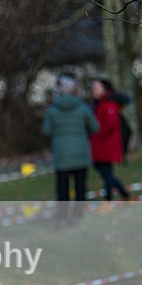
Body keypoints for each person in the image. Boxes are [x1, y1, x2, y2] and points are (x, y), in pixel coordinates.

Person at [41, 76, 99, 224]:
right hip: (81, 154)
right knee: (80, 187)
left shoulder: (52, 110)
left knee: (62, 189)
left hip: (62, 156)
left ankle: (61, 217)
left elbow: (46, 131)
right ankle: (77, 216)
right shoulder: (83, 108)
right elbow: (95, 128)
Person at [90, 79, 131, 202]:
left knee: (107, 174)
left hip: (106, 146)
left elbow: (109, 126)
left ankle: (109, 199)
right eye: (93, 88)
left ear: (104, 89)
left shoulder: (109, 105)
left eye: (96, 88)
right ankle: (124, 194)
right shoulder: (97, 105)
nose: (93, 90)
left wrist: (96, 134)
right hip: (97, 146)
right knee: (106, 174)